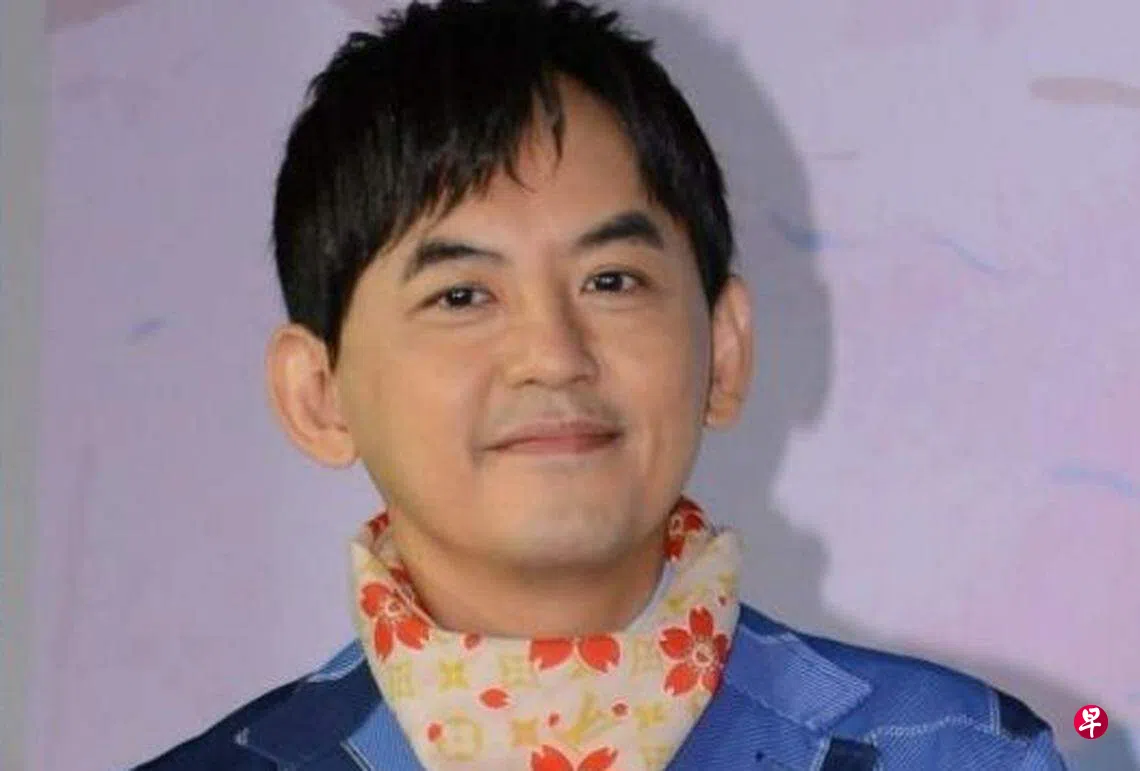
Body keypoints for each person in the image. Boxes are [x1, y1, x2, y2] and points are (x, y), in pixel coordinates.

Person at [136, 1, 1068, 768]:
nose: (553, 353)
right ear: (318, 395)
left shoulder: (964, 751)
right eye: (461, 295)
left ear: (724, 351)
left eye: (612, 281)